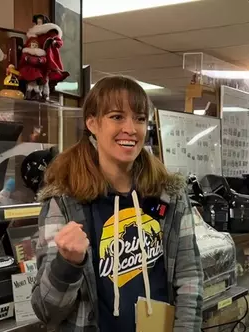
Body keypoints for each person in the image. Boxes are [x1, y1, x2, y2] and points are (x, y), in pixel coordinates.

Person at [31, 75, 204, 332]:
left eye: (140, 119)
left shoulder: (171, 194)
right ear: (92, 123)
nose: (131, 129)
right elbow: (47, 311)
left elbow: (190, 280)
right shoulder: (64, 203)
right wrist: (67, 264)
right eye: (116, 116)